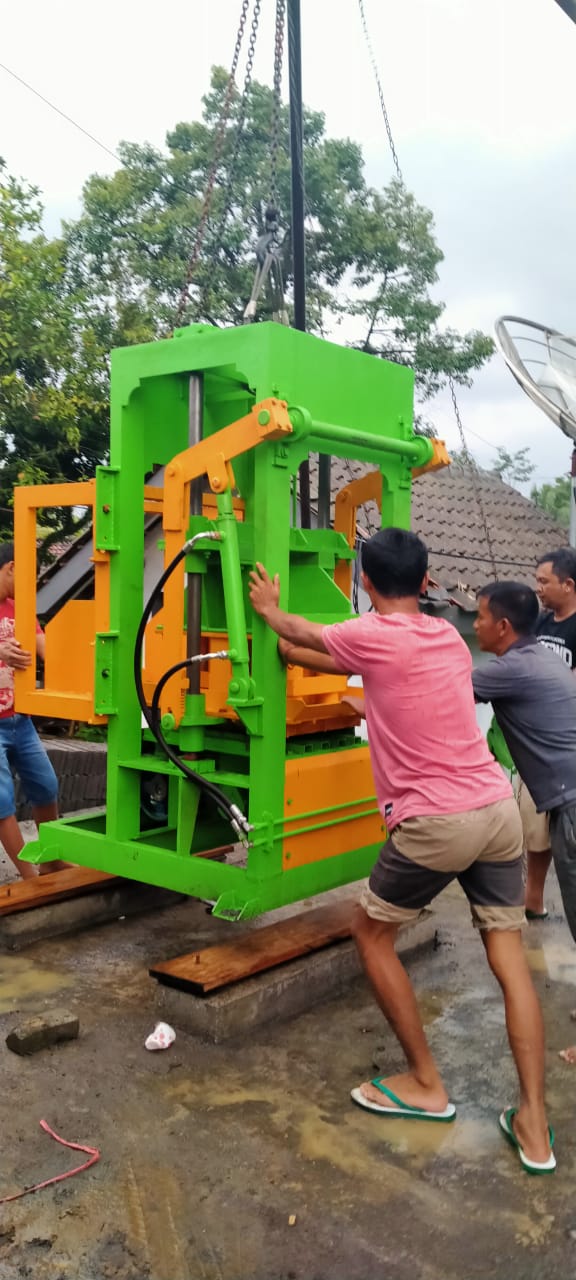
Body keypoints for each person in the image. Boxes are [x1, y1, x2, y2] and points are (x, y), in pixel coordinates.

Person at [249, 529, 554, 1174]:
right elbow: (347, 658)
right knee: (509, 960)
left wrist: (271, 612)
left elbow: (305, 631)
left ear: (364, 581)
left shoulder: (370, 632)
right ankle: (534, 1125)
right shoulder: (446, 636)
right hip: (495, 808)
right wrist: (296, 650)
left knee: (371, 934)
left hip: (435, 821)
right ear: (424, 582)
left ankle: (425, 1084)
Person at [472, 580, 576, 1064]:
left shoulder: (511, 669)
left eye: (479, 617)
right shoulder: (543, 658)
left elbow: (441, 689)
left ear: (503, 626)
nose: (475, 625)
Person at [520, 549, 576, 919]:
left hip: (567, 745)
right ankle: (533, 899)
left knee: (567, 835)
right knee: (535, 826)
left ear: (568, 584)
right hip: (536, 744)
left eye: (544, 581)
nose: (538, 588)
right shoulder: (540, 624)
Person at [0, 542, 61, 880]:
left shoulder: (20, 610)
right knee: (1, 800)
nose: (31, 589)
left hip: (20, 720)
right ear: (11, 568)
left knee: (46, 785)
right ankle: (28, 875)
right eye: (29, 579)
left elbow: (47, 649)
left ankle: (50, 859)